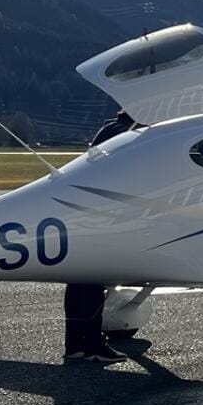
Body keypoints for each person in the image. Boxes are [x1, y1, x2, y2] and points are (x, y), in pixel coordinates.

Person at [63, 108, 134, 364]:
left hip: (79, 211)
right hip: (104, 215)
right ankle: (93, 344)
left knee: (78, 279)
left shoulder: (109, 129)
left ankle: (74, 345)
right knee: (94, 278)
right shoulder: (133, 133)